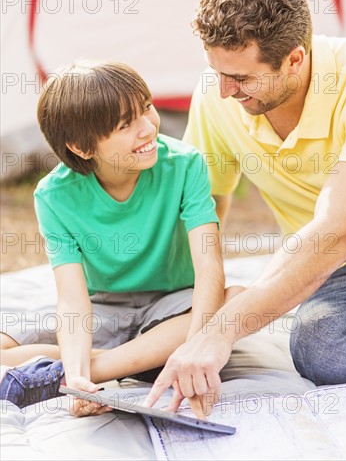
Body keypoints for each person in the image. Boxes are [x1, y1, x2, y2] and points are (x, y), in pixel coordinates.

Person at [144, 0, 346, 416]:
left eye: (241, 78)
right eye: (216, 71)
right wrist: (178, 315)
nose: (223, 90)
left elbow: (335, 233)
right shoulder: (217, 93)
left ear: (295, 59)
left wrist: (222, 330)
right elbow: (201, 214)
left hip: (341, 244)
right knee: (325, 345)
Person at [0, 62, 241, 416]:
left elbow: (209, 267)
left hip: (174, 303)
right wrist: (81, 382)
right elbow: (72, 300)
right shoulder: (53, 196)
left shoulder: (186, 164)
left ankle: (77, 370)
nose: (148, 128)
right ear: (82, 148)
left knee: (232, 303)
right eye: (126, 125)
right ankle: (134, 359)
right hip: (105, 308)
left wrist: (197, 347)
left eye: (146, 107)